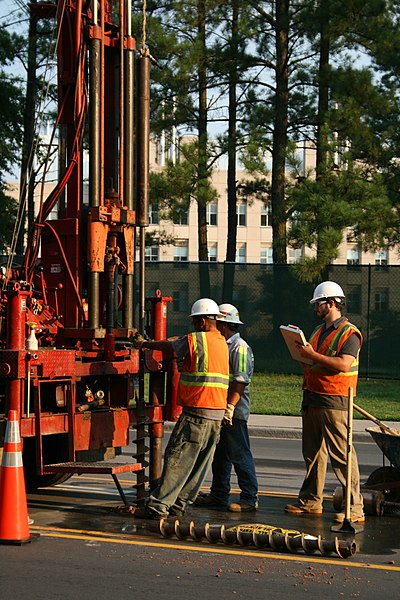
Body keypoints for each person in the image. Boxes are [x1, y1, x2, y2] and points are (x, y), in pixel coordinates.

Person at [131, 298, 229, 520]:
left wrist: (144, 344)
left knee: (177, 458)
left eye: (195, 322)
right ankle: (179, 504)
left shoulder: (197, 340)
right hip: (216, 415)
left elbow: (170, 346)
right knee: (199, 465)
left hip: (197, 412)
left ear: (203, 321)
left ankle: (158, 506)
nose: (193, 326)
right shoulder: (221, 341)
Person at [285, 281, 365, 523]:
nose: (315, 308)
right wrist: (300, 351)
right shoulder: (319, 332)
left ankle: (354, 508)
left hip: (335, 400)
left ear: (331, 303)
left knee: (342, 456)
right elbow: (312, 363)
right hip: (313, 397)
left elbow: (343, 364)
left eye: (318, 304)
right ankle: (311, 501)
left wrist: (311, 355)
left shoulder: (350, 333)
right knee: (313, 455)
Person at [195, 303, 258, 512]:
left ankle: (249, 497)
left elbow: (239, 381)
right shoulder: (223, 345)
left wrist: (230, 407)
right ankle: (219, 494)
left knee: (239, 453)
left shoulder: (238, 347)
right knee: (221, 455)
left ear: (223, 324)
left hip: (233, 412)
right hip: (220, 409)